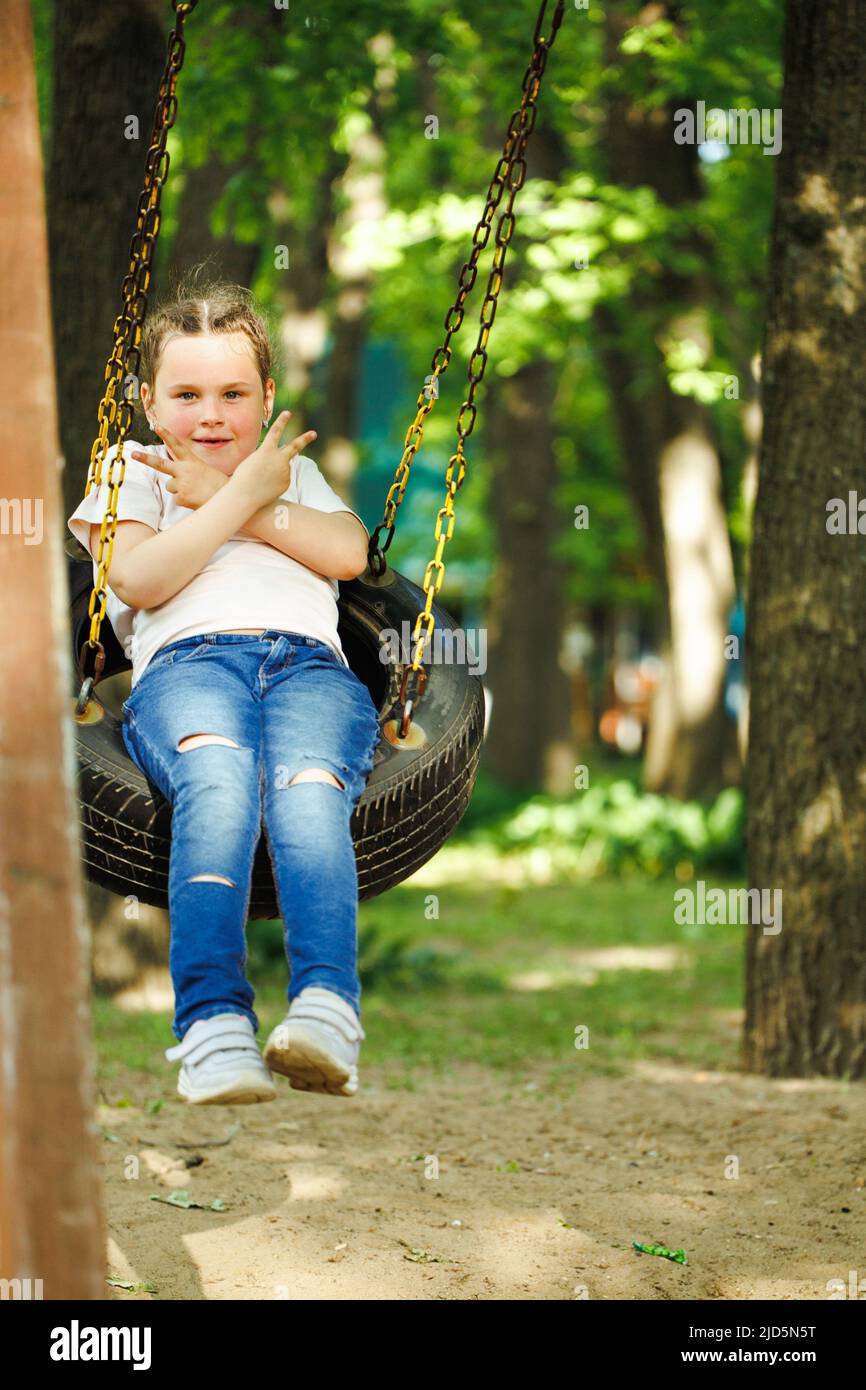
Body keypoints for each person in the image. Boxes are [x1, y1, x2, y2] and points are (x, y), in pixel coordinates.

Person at [67, 277, 380, 1106]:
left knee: (310, 792)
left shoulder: (292, 472)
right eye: (188, 393)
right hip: (189, 670)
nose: (212, 414)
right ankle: (212, 1028)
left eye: (234, 394)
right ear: (148, 401)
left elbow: (348, 553)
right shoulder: (128, 470)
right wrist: (241, 498)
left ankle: (325, 1010)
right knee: (219, 785)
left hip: (311, 669)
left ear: (268, 396)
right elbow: (138, 575)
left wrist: (248, 497)